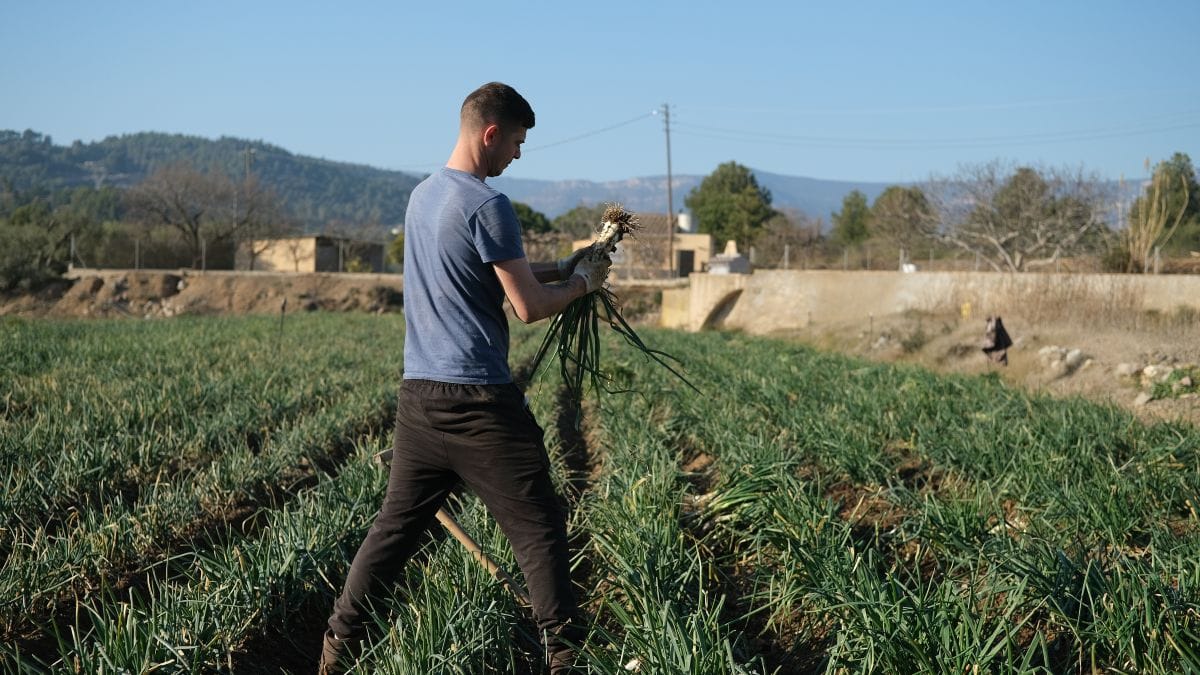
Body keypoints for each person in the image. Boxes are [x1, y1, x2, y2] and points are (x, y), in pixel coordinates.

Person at [319, 82, 610, 675]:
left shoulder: (423, 197)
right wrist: (585, 285)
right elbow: (526, 304)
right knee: (539, 529)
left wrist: (572, 259)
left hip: (419, 401)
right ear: (490, 134)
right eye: (518, 142)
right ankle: (566, 658)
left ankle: (334, 650)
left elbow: (492, 275)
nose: (518, 156)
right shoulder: (488, 204)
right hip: (480, 403)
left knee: (392, 535)